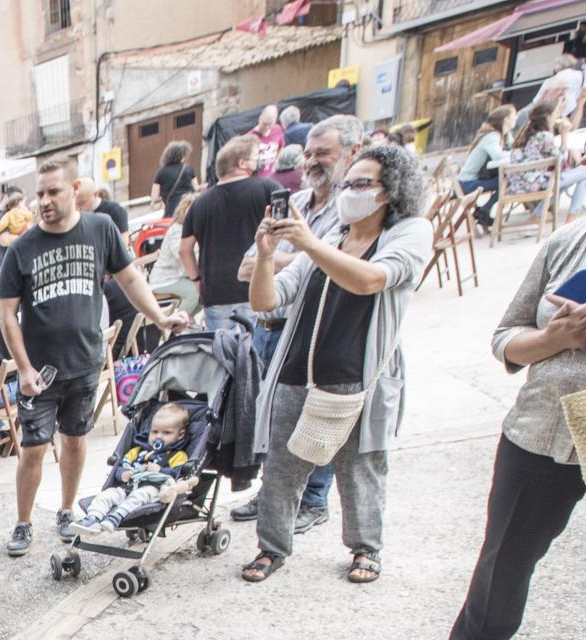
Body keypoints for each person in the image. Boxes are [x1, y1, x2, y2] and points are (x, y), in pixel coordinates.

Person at [408, 95, 586, 640]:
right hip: (541, 420)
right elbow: (506, 335)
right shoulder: (569, 241)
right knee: (507, 547)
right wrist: (555, 339)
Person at [241, 144, 433, 585]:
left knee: (360, 464)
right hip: (298, 371)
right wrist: (267, 256)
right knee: (283, 468)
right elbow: (266, 302)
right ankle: (272, 547)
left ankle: (366, 548)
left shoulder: (409, 233)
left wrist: (307, 242)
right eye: (348, 184)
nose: (350, 192)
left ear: (391, 191)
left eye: (363, 184)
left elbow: (370, 281)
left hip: (358, 374)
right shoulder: (331, 240)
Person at [0, 156, 189, 556]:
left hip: (85, 361)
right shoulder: (22, 249)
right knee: (32, 447)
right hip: (40, 373)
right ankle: (23, 521)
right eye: (39, 194)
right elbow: (7, 316)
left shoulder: (100, 230)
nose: (44, 201)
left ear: (75, 189)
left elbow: (130, 278)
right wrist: (26, 368)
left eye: (53, 191)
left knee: (75, 440)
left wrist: (160, 317)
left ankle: (67, 510)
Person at [232, 114, 364, 532]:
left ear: (351, 153)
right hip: (268, 325)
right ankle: (273, 493)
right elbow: (246, 266)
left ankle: (312, 499)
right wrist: (296, 257)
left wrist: (294, 257)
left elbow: (336, 264)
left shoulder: (351, 213)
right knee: (272, 418)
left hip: (310, 332)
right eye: (308, 153)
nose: (312, 161)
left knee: (317, 419)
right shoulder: (295, 205)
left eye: (323, 153)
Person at [182, 135, 276, 332]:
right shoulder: (267, 188)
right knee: (256, 355)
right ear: (243, 163)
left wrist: (197, 280)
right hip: (255, 286)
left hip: (216, 290)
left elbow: (185, 250)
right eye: (255, 157)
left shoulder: (199, 203)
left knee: (222, 356)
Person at [68, 402, 196, 535]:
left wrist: (160, 470)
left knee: (139, 495)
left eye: (166, 433)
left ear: (180, 435)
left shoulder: (177, 456)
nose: (158, 436)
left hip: (154, 491)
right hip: (127, 487)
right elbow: (121, 466)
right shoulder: (137, 451)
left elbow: (178, 475)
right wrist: (123, 474)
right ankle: (93, 518)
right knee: (106, 495)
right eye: (155, 431)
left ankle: (115, 518)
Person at [505, 102, 586, 225]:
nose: (557, 117)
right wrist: (564, 136)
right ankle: (572, 215)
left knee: (566, 181)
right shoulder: (545, 135)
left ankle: (538, 214)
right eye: (555, 114)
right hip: (536, 182)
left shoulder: (527, 133)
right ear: (547, 117)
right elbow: (561, 160)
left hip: (519, 183)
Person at [459, 104, 515, 228]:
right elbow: (499, 156)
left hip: (477, 179)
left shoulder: (503, 135)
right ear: (506, 119)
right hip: (468, 182)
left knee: (507, 179)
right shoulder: (492, 136)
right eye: (513, 115)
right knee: (507, 181)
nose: (516, 118)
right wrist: (515, 154)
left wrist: (511, 142)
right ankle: (484, 211)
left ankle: (484, 211)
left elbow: (512, 148)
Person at [152, 141, 196, 218]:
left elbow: (155, 196)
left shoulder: (161, 172)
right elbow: (196, 188)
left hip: (172, 212)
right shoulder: (188, 169)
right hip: (190, 210)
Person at [538, 54, 586, 124]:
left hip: (555, 110)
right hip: (573, 106)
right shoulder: (580, 74)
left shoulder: (554, 79)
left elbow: (538, 99)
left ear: (560, 64)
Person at [252, 105, 286, 176]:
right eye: (264, 124)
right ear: (260, 118)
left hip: (274, 174)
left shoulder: (277, 129)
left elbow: (281, 147)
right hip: (258, 177)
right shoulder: (250, 137)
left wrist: (277, 163)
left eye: (270, 124)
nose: (267, 128)